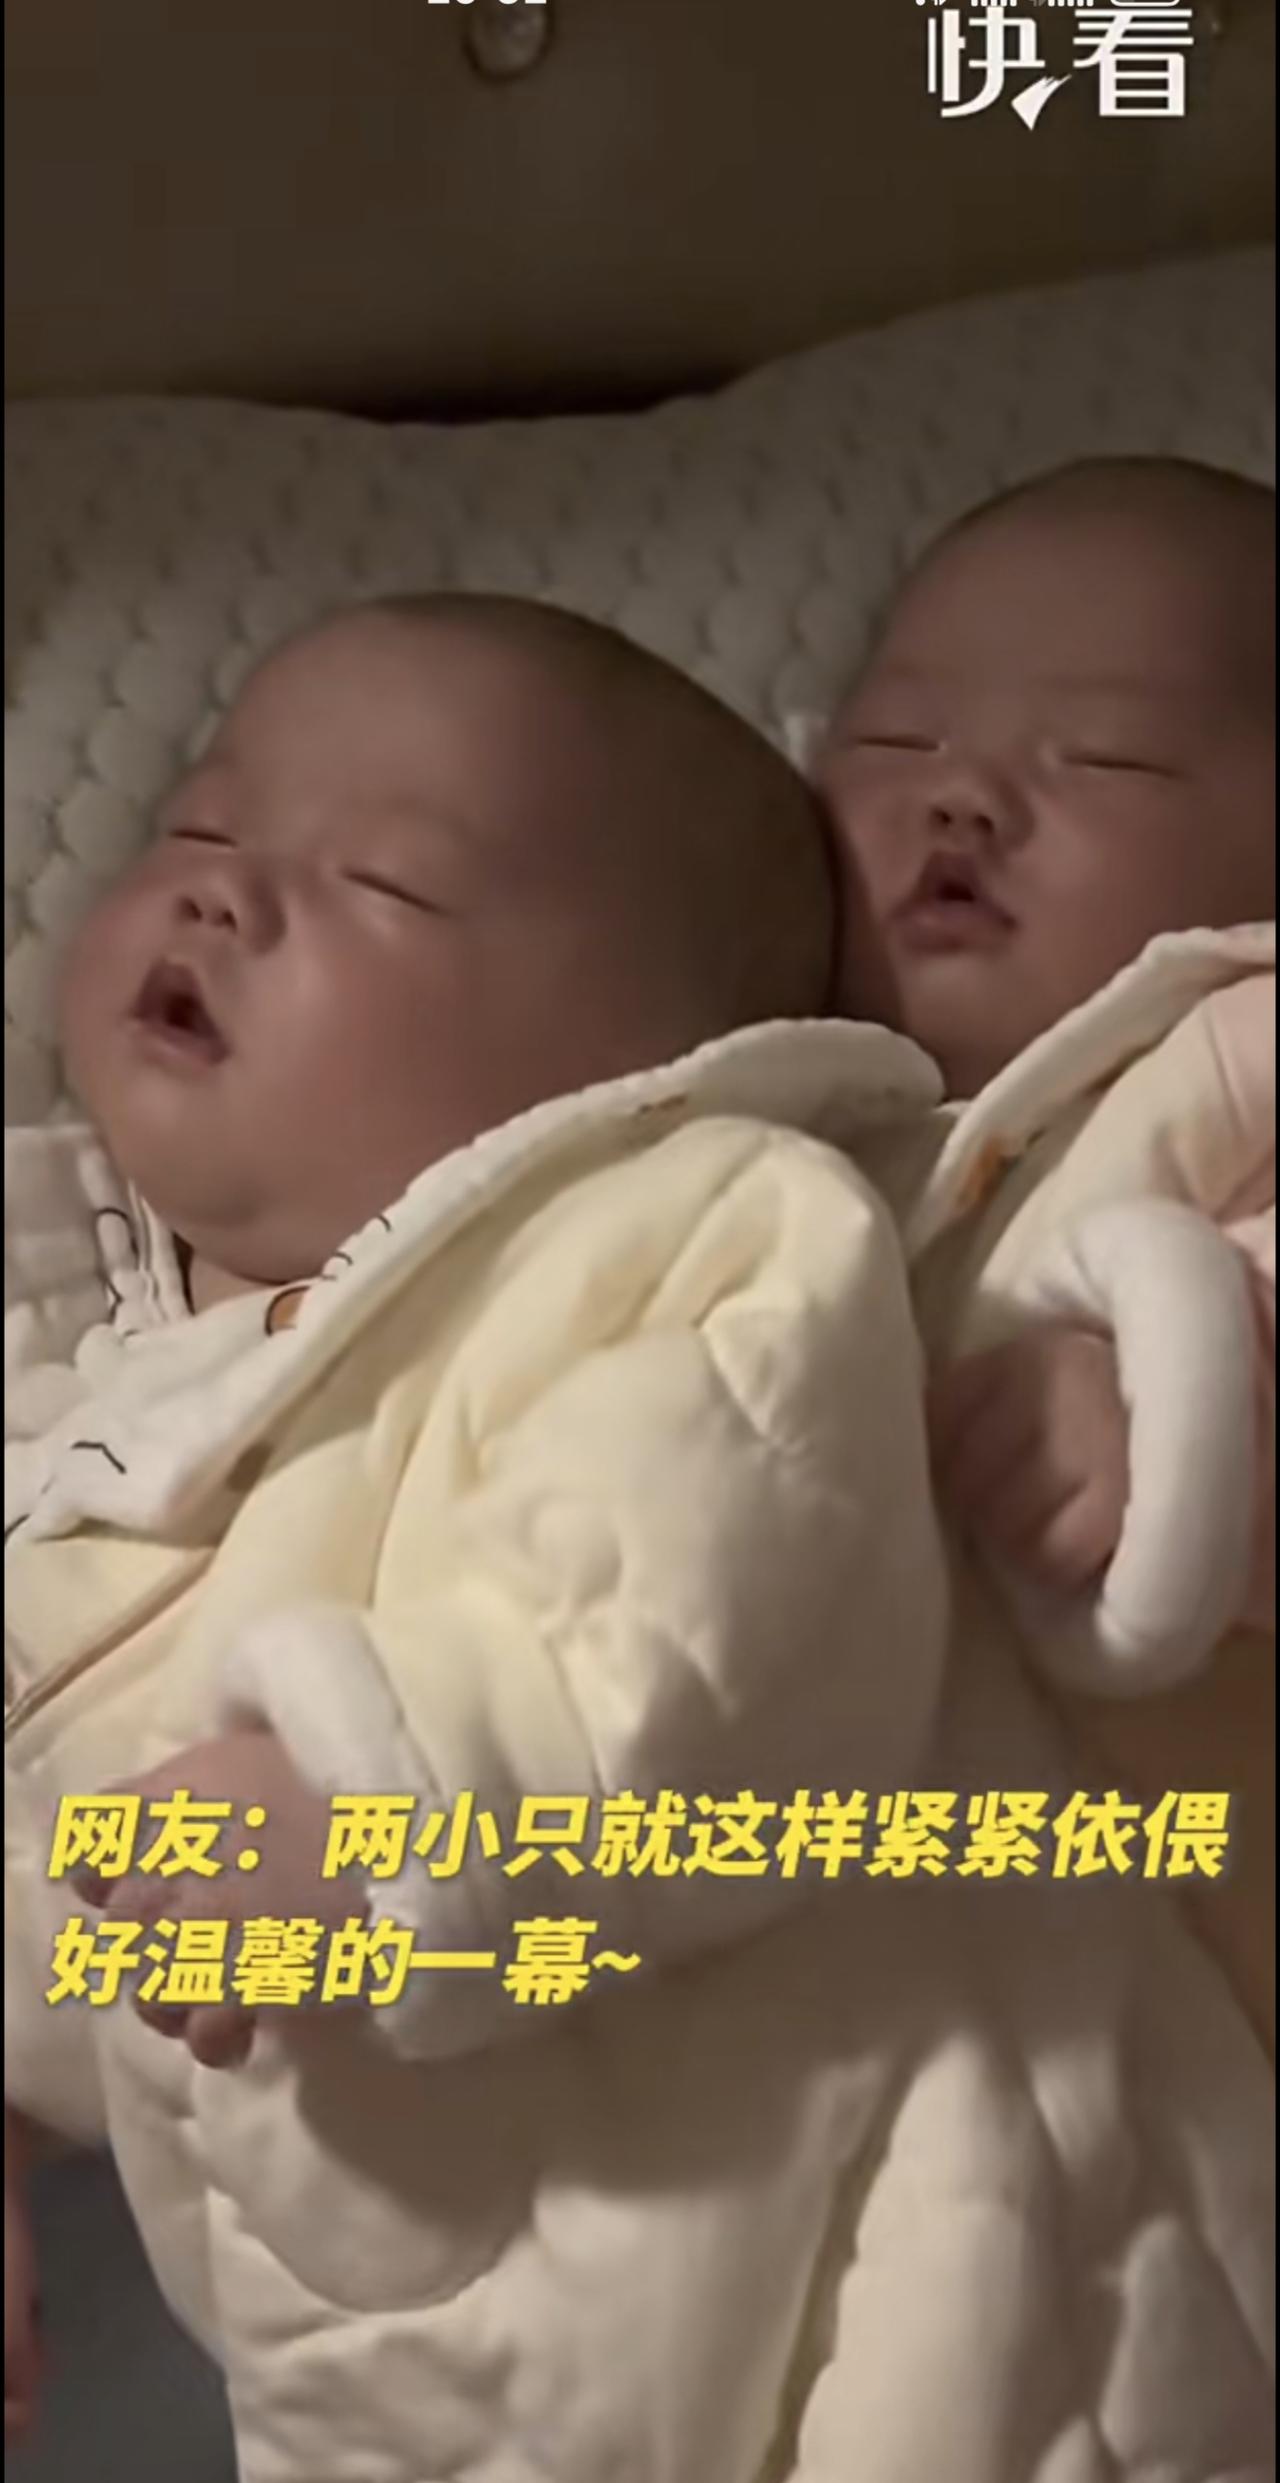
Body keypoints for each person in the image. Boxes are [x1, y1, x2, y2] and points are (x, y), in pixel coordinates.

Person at [4, 592, 946, 2474]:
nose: (217, 891)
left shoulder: (682, 1225)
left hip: (748, 2247)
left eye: (386, 881)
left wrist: (394, 1793)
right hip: (362, 2349)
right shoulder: (101, 1403)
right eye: (198, 825)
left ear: (625, 1061)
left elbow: (722, 1566)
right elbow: (76, 1862)